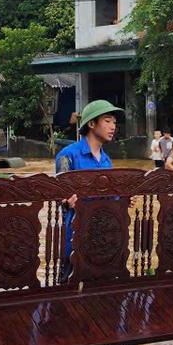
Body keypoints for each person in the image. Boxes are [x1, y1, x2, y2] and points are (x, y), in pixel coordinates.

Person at [56, 100, 122, 280]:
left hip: (101, 238)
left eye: (114, 122)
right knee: (67, 286)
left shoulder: (106, 160)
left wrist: (124, 199)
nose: (113, 126)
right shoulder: (68, 155)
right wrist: (66, 200)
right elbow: (60, 194)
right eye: (107, 121)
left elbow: (109, 196)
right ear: (92, 124)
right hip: (75, 237)